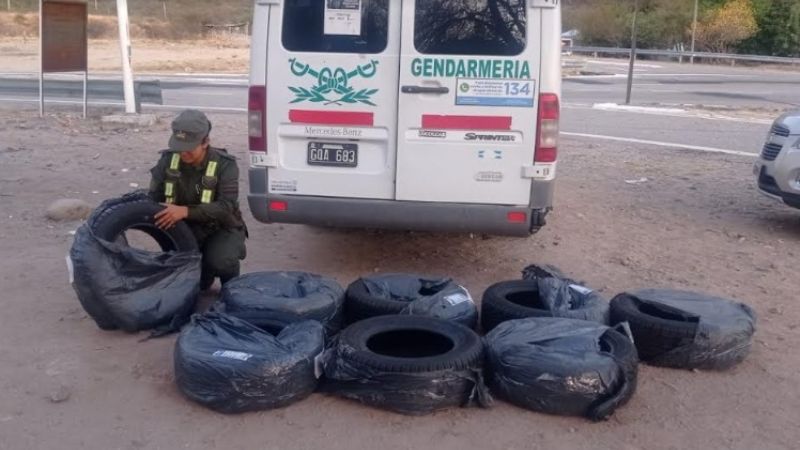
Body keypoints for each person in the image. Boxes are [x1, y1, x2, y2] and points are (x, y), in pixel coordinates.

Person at [148, 109, 246, 290]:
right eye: (179, 146)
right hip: (183, 230)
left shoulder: (225, 165)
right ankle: (204, 274)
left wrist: (185, 211)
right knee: (195, 283)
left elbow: (226, 206)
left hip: (219, 228)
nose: (183, 153)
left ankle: (231, 286)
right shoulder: (167, 160)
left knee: (221, 260)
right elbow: (152, 198)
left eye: (189, 148)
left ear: (205, 142)